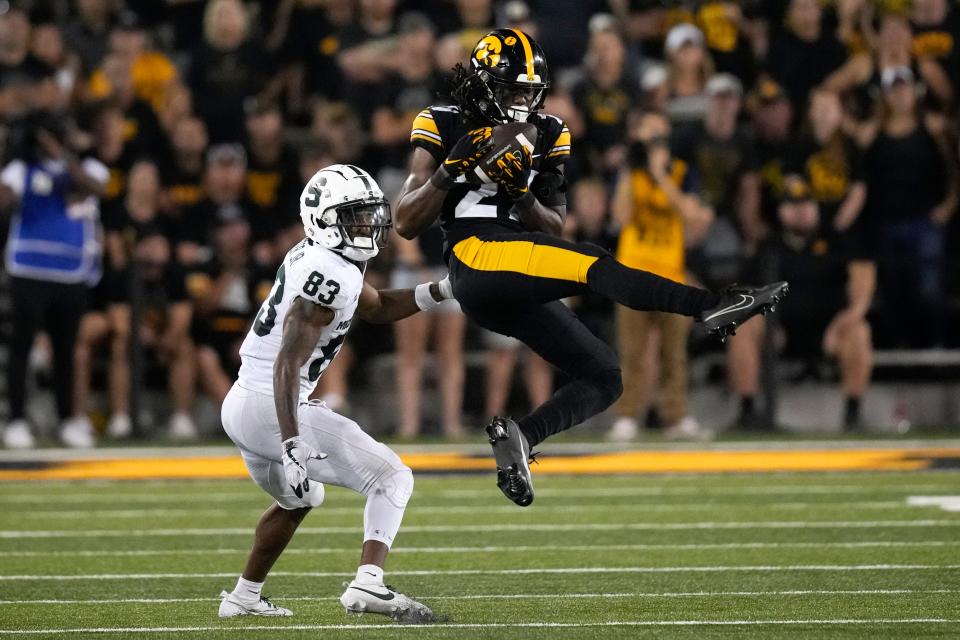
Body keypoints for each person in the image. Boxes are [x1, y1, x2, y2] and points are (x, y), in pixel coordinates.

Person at [395, 28, 787, 506]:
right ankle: (711, 306)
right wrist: (451, 167)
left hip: (513, 264)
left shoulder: (550, 131)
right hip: (474, 252)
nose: (522, 101)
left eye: (528, 92)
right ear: (483, 84)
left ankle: (522, 437)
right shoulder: (442, 120)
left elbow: (552, 224)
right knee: (594, 264)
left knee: (604, 376)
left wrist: (519, 192)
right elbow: (405, 221)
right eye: (512, 90)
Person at [219, 164, 444, 623]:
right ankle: (369, 584)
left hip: (245, 401)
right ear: (323, 219)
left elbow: (378, 307)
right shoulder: (329, 271)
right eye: (354, 216)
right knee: (393, 477)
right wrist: (292, 442)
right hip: (272, 403)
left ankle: (242, 597)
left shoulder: (328, 260)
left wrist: (443, 289)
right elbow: (288, 360)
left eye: (367, 214)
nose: (367, 225)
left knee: (301, 499)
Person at [728, 180, 875, 430]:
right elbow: (745, 294)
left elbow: (863, 278)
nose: (800, 210)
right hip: (779, 331)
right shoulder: (769, 245)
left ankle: (853, 413)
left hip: (830, 330)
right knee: (741, 327)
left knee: (859, 331)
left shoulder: (835, 240)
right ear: (780, 210)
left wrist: (846, 319)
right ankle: (747, 410)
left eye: (806, 203)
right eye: (792, 204)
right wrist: (768, 322)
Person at [1, 112, 108, 449]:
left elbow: (97, 188)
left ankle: (67, 419)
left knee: (66, 351)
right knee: (21, 348)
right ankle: (16, 419)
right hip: (29, 269)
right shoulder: (20, 169)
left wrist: (63, 158)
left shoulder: (87, 167)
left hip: (70, 272)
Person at [607, 112, 715, 442]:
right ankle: (626, 416)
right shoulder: (629, 174)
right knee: (632, 352)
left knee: (674, 354)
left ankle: (676, 416)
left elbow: (692, 216)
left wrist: (660, 175)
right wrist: (632, 170)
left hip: (670, 274)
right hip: (633, 274)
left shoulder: (682, 172)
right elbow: (621, 217)